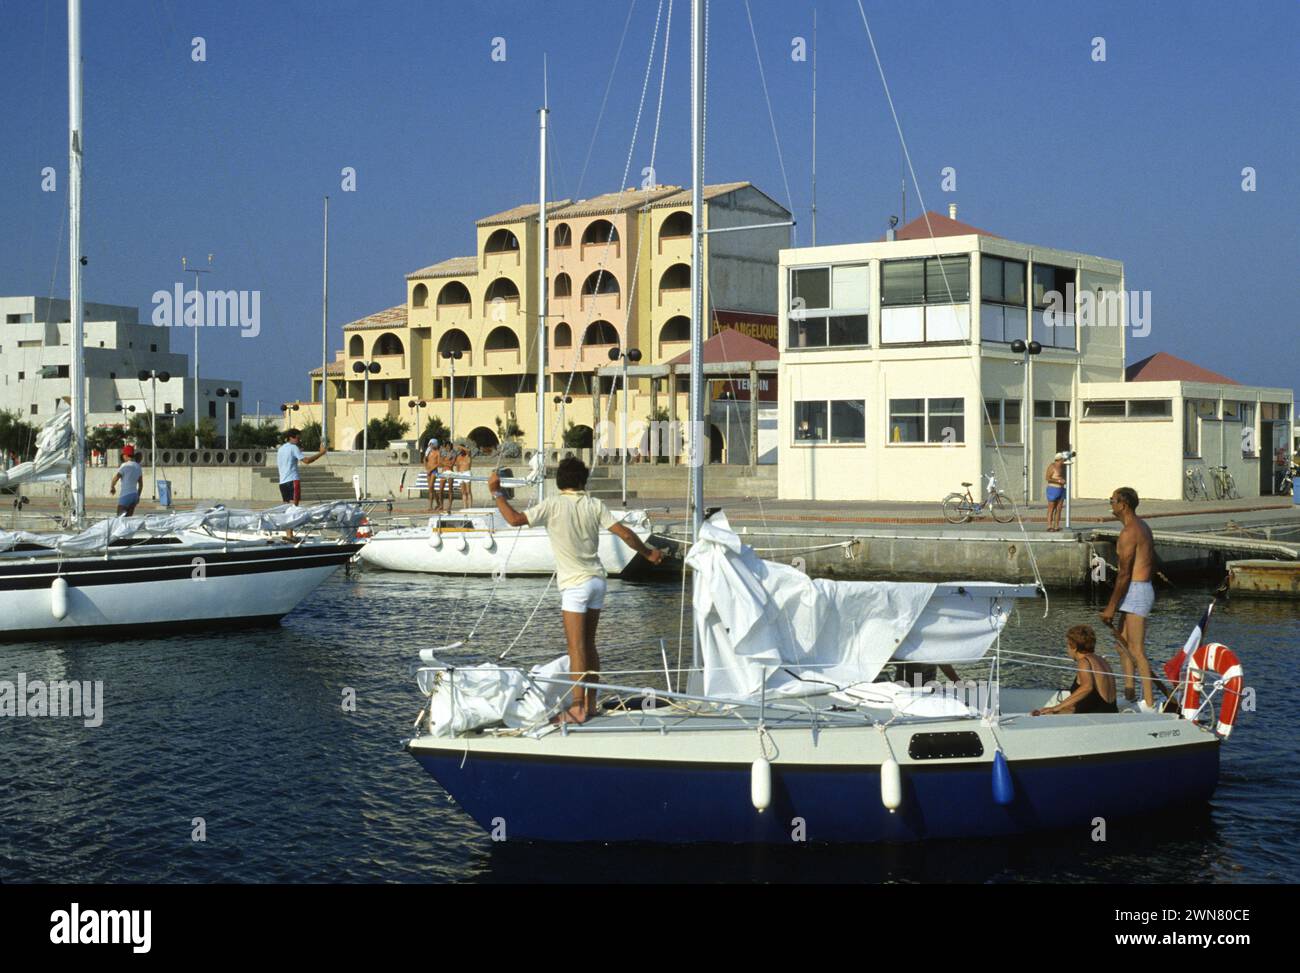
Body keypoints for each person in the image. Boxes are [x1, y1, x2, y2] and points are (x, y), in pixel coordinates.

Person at [488, 457, 664, 724]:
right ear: (583, 481)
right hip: (597, 581)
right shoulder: (594, 505)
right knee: (589, 645)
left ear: (559, 482)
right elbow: (626, 534)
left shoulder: (552, 505)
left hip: (574, 586)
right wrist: (648, 553)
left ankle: (579, 707)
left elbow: (513, 519)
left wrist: (497, 492)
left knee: (576, 648)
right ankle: (591, 703)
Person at [1101, 486, 1157, 710]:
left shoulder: (1129, 533)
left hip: (1136, 590)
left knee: (1136, 650)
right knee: (1122, 647)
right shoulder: (1142, 526)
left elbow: (1124, 575)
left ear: (1123, 505)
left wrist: (1110, 609)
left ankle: (1150, 704)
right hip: (1138, 589)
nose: (1111, 504)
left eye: (1112, 500)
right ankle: (1130, 695)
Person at [1032, 624, 1117, 715]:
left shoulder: (1084, 662)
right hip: (1110, 712)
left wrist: (1056, 708)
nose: (1067, 649)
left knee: (1045, 714)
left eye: (1067, 645)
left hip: (1095, 716)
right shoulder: (1102, 660)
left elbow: (1087, 687)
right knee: (1050, 712)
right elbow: (1091, 699)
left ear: (1074, 646)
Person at [276, 429, 326, 505]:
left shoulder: (281, 449)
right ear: (291, 438)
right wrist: (321, 453)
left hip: (282, 482)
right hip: (292, 480)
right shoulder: (293, 447)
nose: (299, 440)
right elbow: (307, 461)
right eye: (297, 438)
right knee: (294, 506)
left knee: (286, 506)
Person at [109, 444, 143, 516]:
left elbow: (115, 478)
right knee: (128, 520)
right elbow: (141, 485)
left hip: (125, 495)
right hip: (134, 495)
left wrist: (112, 487)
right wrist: (138, 496)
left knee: (119, 518)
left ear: (125, 455)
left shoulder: (124, 465)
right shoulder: (138, 466)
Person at [1044, 453, 1067, 532]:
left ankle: (1057, 525)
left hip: (1061, 489)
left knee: (1059, 508)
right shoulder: (1052, 466)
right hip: (1053, 489)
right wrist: (1058, 481)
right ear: (1059, 460)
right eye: (1063, 459)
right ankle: (1049, 526)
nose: (1064, 461)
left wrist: (1064, 481)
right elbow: (1047, 478)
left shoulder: (1063, 467)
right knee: (1051, 508)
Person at [422, 437, 440, 512]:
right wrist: (426, 467)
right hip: (429, 471)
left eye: (432, 444)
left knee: (431, 486)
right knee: (431, 488)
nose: (431, 445)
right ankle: (436, 504)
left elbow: (438, 463)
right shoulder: (428, 452)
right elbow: (424, 460)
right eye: (430, 444)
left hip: (434, 471)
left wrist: (430, 470)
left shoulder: (437, 452)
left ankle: (433, 505)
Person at [454, 442, 473, 508]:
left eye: (461, 449)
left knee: (468, 491)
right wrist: (458, 473)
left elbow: (469, 451)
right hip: (460, 474)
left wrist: (461, 446)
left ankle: (470, 507)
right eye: (460, 450)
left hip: (466, 473)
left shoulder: (468, 455)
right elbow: (457, 466)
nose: (460, 451)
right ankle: (465, 507)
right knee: (463, 492)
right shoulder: (458, 457)